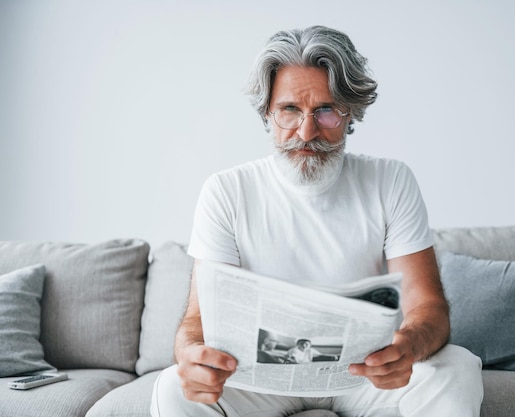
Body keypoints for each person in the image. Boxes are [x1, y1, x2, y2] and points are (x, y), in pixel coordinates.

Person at [151, 25, 483, 417]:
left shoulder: (391, 181)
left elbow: (427, 306)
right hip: (259, 381)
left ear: (349, 113)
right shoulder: (226, 190)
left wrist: (407, 345)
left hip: (367, 376)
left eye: (325, 110)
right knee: (174, 387)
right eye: (290, 109)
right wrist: (191, 355)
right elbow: (198, 319)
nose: (306, 132)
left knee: (458, 367)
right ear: (268, 113)